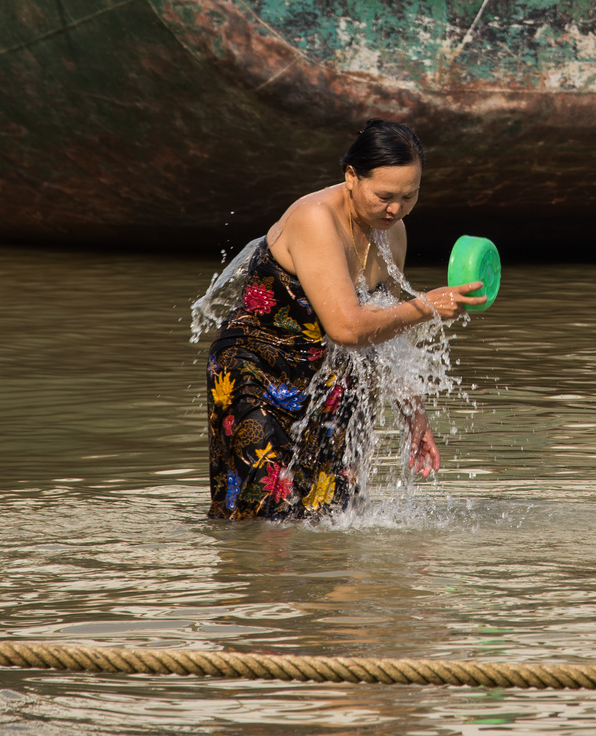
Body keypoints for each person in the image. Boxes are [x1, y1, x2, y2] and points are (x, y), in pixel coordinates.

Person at [205, 120, 485, 520]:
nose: (396, 209)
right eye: (385, 196)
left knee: (332, 514)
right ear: (351, 176)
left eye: (410, 196)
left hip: (329, 381)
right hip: (258, 376)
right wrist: (425, 306)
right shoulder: (315, 219)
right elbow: (347, 328)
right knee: (264, 519)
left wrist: (414, 415)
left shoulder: (393, 231)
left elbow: (386, 331)